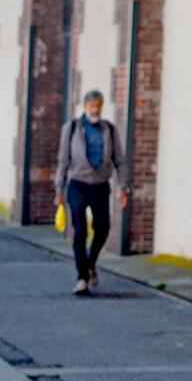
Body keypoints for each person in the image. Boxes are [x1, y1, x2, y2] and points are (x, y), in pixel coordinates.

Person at [54, 89, 129, 297]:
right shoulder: (72, 128)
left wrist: (123, 187)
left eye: (98, 106)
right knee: (80, 230)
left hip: (100, 184)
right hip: (77, 183)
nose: (95, 110)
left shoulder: (109, 130)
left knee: (102, 226)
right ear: (85, 106)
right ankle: (81, 278)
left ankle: (90, 262)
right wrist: (59, 188)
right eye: (91, 106)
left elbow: (120, 160)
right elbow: (63, 160)